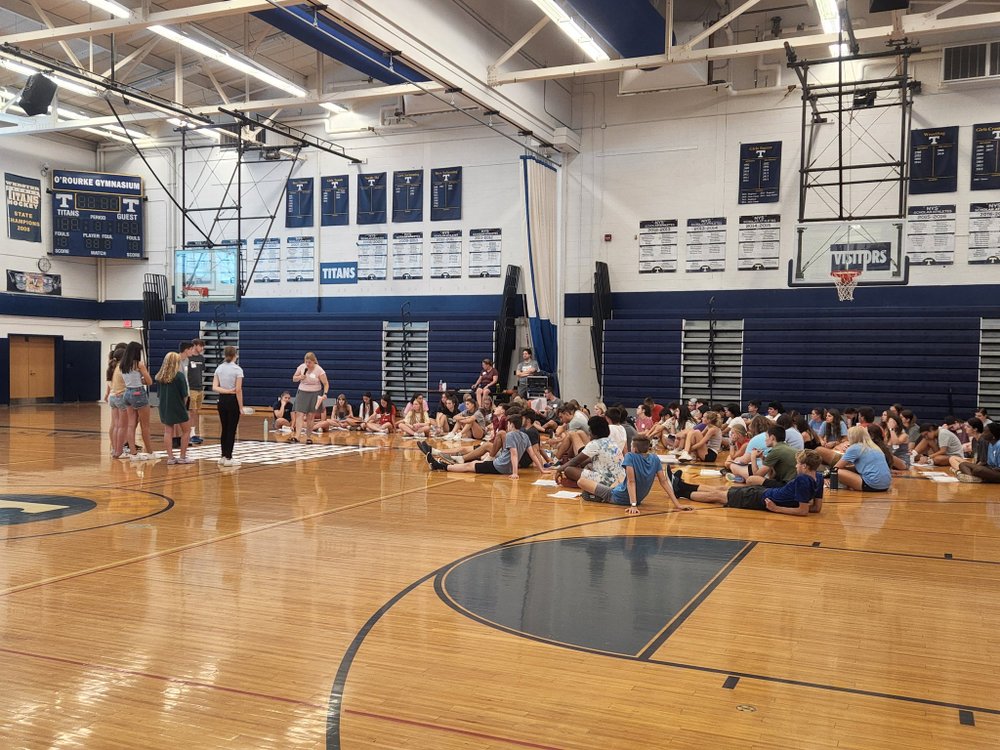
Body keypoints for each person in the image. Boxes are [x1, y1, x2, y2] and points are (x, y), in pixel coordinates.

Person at [671, 450, 824, 516]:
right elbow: (816, 508)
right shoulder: (819, 476)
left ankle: (681, 491)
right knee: (723, 490)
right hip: (762, 493)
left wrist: (777, 508)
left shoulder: (803, 479)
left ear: (804, 466)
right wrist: (791, 504)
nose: (796, 466)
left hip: (760, 498)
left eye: (798, 464)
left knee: (719, 496)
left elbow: (802, 511)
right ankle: (683, 486)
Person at [574, 436, 692, 515]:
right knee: (619, 480)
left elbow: (631, 482)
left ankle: (598, 497)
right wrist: (677, 504)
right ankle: (598, 494)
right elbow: (664, 482)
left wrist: (633, 505)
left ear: (634, 448)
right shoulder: (655, 458)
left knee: (581, 482)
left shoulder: (630, 456)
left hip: (618, 497)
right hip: (636, 498)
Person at [425, 414, 542, 479]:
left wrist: (515, 473)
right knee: (471, 464)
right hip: (507, 468)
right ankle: (442, 463)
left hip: (499, 466)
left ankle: (440, 466)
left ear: (511, 424)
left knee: (469, 466)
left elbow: (514, 454)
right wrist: (542, 469)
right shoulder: (524, 436)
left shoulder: (511, 435)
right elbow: (533, 454)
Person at [556, 417, 625, 489]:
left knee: (568, 470)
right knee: (587, 465)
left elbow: (575, 461)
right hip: (619, 479)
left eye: (590, 430)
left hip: (608, 481)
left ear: (594, 433)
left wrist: (559, 470)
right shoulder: (611, 441)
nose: (588, 431)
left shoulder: (595, 443)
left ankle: (583, 485)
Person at [826, 425, 892, 492]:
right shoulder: (875, 447)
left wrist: (826, 478)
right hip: (886, 485)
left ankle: (844, 485)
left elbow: (836, 468)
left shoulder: (855, 447)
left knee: (837, 472)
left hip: (872, 485)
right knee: (850, 469)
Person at [155, 351, 193, 465]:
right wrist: (183, 405)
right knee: (187, 430)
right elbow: (185, 395)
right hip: (178, 406)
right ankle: (182, 456)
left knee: (168, 431)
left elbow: (158, 394)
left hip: (164, 406)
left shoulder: (159, 377)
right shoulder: (179, 376)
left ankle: (170, 458)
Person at [120, 341, 153, 461]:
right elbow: (149, 381)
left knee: (131, 424)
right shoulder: (139, 364)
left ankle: (133, 453)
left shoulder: (122, 364)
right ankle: (150, 452)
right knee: (145, 425)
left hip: (127, 392)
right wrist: (142, 380)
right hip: (138, 392)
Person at [212, 345, 244, 468]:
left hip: (221, 400)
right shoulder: (237, 370)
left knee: (224, 428)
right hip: (232, 401)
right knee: (231, 429)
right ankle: (229, 457)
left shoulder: (219, 368)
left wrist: (225, 391)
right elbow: (238, 389)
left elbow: (215, 387)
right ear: (235, 355)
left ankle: (223, 456)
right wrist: (241, 406)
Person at [290, 352, 329, 444]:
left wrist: (325, 393)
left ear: (314, 361)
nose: (308, 364)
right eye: (306, 362)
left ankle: (309, 436)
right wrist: (300, 377)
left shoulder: (319, 370)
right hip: (302, 392)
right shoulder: (301, 367)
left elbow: (326, 383)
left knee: (310, 416)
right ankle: (297, 436)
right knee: (299, 413)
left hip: (314, 393)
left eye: (309, 362)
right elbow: (294, 378)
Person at [105, 345, 127, 458]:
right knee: (122, 426)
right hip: (120, 396)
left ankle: (115, 449)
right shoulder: (122, 369)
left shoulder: (111, 368)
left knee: (116, 425)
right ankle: (119, 451)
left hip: (113, 397)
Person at [187, 338, 206, 444]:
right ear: (194, 345)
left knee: (196, 411)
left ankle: (192, 433)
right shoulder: (188, 358)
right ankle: (189, 433)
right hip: (191, 388)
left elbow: (201, 371)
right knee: (192, 411)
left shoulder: (201, 358)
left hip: (199, 388)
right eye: (201, 346)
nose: (202, 348)